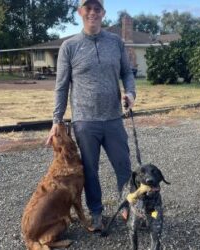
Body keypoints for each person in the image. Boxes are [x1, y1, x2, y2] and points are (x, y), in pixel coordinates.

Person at [46, 0, 136, 231]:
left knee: (123, 166)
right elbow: (61, 86)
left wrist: (131, 93)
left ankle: (128, 207)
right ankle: (96, 213)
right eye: (88, 8)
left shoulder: (116, 42)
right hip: (85, 122)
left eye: (97, 9)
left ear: (104, 13)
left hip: (114, 118)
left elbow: (127, 73)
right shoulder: (69, 46)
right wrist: (57, 120)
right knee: (90, 171)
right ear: (80, 12)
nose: (93, 13)